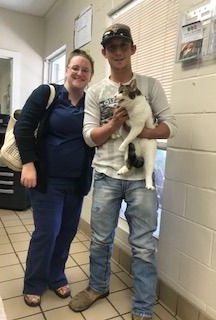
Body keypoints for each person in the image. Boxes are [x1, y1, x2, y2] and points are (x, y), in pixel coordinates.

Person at [69, 24, 177, 320]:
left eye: (123, 45)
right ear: (104, 53)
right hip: (105, 174)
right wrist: (115, 125)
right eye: (112, 47)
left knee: (143, 246)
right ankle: (97, 287)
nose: (118, 52)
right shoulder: (95, 91)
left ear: (133, 49)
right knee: (100, 240)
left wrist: (144, 130)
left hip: (141, 180)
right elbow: (89, 136)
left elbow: (171, 126)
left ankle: (143, 308)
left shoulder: (150, 85)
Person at [14, 49, 94, 307]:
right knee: (47, 231)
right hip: (47, 180)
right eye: (75, 67)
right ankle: (34, 282)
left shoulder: (91, 102)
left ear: (90, 75)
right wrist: (28, 164)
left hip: (77, 182)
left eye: (85, 69)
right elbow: (23, 127)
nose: (79, 73)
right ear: (66, 70)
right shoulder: (47, 93)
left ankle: (56, 276)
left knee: (67, 231)